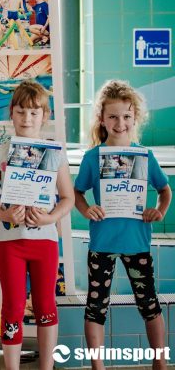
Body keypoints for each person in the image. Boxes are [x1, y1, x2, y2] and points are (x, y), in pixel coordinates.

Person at [74, 80, 171, 370]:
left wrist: (159, 211)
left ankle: (160, 362)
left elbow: (165, 190)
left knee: (149, 304)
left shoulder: (145, 156)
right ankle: (97, 366)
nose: (120, 123)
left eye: (126, 116)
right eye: (113, 116)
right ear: (102, 119)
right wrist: (87, 209)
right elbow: (77, 193)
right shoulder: (92, 158)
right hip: (102, 243)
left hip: (137, 242)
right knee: (96, 306)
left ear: (135, 117)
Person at [0, 80, 74, 370]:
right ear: (11, 112)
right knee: (12, 306)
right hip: (11, 243)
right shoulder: (0, 153)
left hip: (45, 242)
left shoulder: (55, 153)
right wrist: (6, 216)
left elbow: (68, 198)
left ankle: (46, 366)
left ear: (45, 116)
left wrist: (50, 218)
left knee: (46, 305)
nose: (27, 118)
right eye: (21, 111)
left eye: (34, 112)